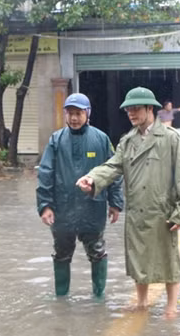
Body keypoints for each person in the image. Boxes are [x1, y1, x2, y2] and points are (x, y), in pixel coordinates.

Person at [76, 87, 180, 319]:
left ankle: (171, 307)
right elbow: (113, 166)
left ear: (150, 109)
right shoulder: (128, 141)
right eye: (128, 109)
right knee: (138, 258)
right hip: (136, 210)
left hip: (162, 210)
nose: (131, 113)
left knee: (169, 259)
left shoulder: (171, 138)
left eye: (136, 109)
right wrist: (93, 178)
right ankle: (141, 302)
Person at [37, 93, 124, 297]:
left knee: (97, 252)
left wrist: (115, 203)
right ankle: (61, 298)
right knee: (61, 254)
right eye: (70, 113)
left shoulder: (101, 139)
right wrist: (45, 206)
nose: (74, 118)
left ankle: (99, 297)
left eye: (79, 113)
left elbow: (113, 172)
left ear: (88, 113)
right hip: (62, 209)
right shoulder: (56, 140)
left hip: (93, 207)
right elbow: (45, 173)